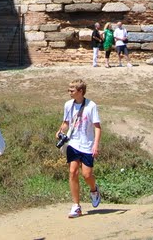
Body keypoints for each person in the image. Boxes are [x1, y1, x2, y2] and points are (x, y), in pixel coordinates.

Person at [56, 78, 102, 218]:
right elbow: (66, 122)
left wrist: (95, 144)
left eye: (72, 90)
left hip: (87, 144)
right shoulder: (68, 105)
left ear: (80, 91)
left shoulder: (91, 106)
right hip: (73, 143)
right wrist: (60, 131)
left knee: (87, 175)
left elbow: (97, 127)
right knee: (73, 172)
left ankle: (94, 190)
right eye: (69, 89)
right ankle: (76, 206)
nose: (69, 92)